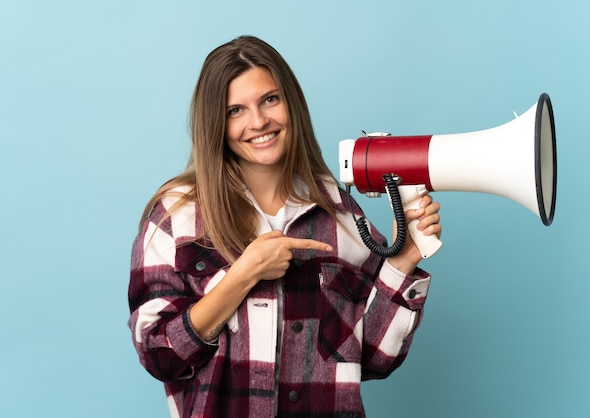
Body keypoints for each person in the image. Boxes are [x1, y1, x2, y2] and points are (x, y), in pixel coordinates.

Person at [128, 35, 442, 418]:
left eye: (269, 100)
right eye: (235, 111)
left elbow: (374, 359)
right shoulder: (176, 216)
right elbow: (158, 355)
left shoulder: (339, 213)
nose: (258, 122)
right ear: (215, 124)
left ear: (291, 103)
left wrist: (404, 258)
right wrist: (243, 275)